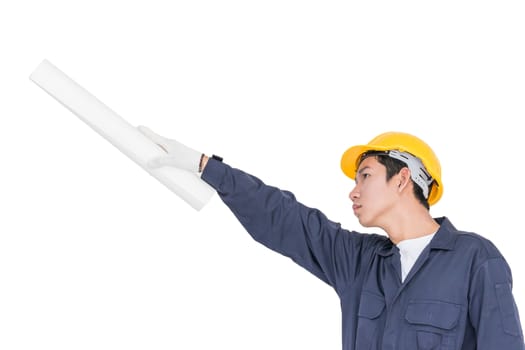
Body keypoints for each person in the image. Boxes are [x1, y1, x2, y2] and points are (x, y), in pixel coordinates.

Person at [137, 126, 524, 350]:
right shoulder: (359, 262)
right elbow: (285, 219)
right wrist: (205, 168)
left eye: (365, 176)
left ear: (403, 178)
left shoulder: (475, 259)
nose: (353, 192)